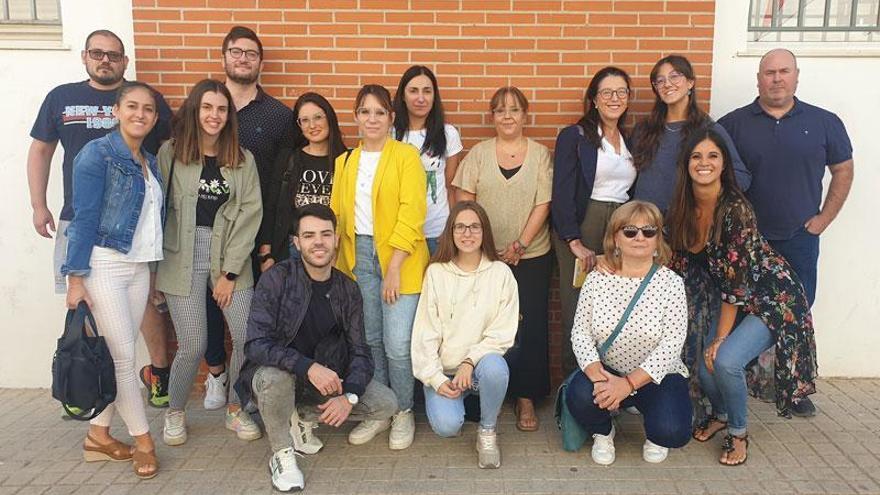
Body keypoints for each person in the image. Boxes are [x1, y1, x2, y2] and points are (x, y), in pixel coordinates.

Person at [28, 29, 174, 409]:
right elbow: (41, 151)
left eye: (113, 54)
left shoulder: (148, 100)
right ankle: (82, 378)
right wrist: (38, 203)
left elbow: (167, 155)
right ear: (85, 56)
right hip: (80, 219)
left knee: (146, 304)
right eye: (98, 53)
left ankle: (158, 374)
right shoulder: (62, 98)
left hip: (134, 229)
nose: (105, 60)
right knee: (82, 302)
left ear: (124, 61)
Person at [666, 129, 817, 466]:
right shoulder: (682, 206)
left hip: (772, 297)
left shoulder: (736, 209)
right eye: (696, 156)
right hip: (733, 297)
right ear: (686, 164)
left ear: (723, 164)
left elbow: (737, 284)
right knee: (707, 368)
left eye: (712, 156)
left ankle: (738, 432)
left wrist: (720, 337)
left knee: (725, 360)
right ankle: (720, 413)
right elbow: (672, 259)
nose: (704, 163)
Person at [718, 48, 853, 417]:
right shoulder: (733, 124)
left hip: (798, 238)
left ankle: (792, 388)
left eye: (783, 71)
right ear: (758, 79)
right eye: (769, 72)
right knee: (745, 310)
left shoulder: (824, 122)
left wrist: (824, 219)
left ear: (796, 76)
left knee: (796, 312)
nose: (776, 78)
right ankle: (740, 378)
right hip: (749, 241)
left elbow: (843, 169)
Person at [236, 204, 398, 492]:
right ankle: (282, 454)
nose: (319, 242)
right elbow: (255, 344)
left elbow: (361, 352)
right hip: (280, 376)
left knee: (387, 403)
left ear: (336, 239)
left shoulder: (348, 289)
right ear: (296, 243)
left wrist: (348, 397)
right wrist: (307, 366)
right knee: (276, 378)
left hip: (323, 381)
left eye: (326, 234)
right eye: (309, 235)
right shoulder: (277, 279)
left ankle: (302, 416)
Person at [62, 82, 164, 479]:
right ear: (116, 111)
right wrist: (75, 278)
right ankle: (144, 441)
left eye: (148, 109)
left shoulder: (150, 162)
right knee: (124, 359)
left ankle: (98, 436)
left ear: (155, 118)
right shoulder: (97, 154)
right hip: (103, 265)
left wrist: (153, 273)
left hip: (139, 268)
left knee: (117, 355)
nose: (140, 114)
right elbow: (82, 217)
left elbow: (151, 225)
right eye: (133, 106)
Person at [156, 79, 263, 446]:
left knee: (247, 339)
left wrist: (230, 273)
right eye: (207, 108)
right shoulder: (171, 153)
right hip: (181, 256)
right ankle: (175, 412)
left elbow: (251, 213)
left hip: (229, 256)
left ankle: (236, 407)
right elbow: (157, 210)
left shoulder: (242, 158)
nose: (214, 116)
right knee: (193, 343)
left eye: (221, 109)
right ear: (194, 110)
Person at [202, 25, 300, 412]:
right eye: (236, 52)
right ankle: (216, 373)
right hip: (208, 227)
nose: (243, 59)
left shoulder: (278, 116)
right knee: (209, 307)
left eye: (251, 54)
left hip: (258, 229)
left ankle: (252, 385)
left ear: (261, 62)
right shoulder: (207, 106)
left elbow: (283, 180)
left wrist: (270, 240)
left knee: (258, 312)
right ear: (224, 56)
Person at [330, 84, 429, 450]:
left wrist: (394, 266)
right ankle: (381, 411)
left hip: (398, 259)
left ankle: (403, 410)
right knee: (369, 341)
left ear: (391, 117)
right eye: (365, 112)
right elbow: (338, 218)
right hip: (359, 259)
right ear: (356, 117)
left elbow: (412, 211)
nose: (372, 119)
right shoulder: (345, 162)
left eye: (379, 112)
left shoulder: (405, 156)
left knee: (397, 343)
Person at [453, 86, 553, 432]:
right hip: (485, 255)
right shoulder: (478, 155)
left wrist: (520, 245)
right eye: (500, 110)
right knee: (484, 322)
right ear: (492, 117)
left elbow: (544, 203)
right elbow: (465, 203)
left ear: (525, 115)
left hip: (532, 254)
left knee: (530, 323)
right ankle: (483, 391)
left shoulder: (540, 155)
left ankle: (526, 397)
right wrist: (485, 248)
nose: (507, 116)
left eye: (514, 109)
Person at [566, 200, 691, 466]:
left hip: (656, 376)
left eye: (649, 231)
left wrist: (628, 385)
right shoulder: (597, 279)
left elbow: (672, 343)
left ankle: (644, 413)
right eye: (630, 231)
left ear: (658, 240)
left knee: (672, 431)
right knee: (578, 394)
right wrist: (595, 373)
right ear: (615, 238)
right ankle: (603, 431)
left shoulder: (671, 283)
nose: (639, 238)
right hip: (608, 369)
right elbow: (581, 332)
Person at [411, 201, 519, 469]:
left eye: (474, 227)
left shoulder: (501, 273)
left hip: (480, 369)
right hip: (446, 372)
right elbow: (425, 332)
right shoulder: (436, 273)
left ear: (485, 233)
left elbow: (503, 332)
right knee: (447, 427)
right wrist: (435, 379)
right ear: (451, 232)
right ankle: (457, 402)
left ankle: (487, 430)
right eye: (460, 227)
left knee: (496, 367)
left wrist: (470, 362)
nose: (467, 233)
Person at [552, 66, 636, 377]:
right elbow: (561, 189)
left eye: (621, 92)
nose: (615, 98)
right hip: (583, 224)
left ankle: (615, 385)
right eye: (607, 93)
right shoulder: (575, 136)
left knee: (616, 307)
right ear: (594, 100)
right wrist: (573, 240)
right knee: (580, 310)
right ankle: (575, 388)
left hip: (621, 227)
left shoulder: (630, 139)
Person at [631, 54, 750, 214]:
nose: (667, 84)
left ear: (690, 83)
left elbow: (741, 177)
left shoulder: (708, 130)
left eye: (674, 76)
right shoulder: (644, 129)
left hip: (686, 225)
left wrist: (706, 201)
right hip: (644, 226)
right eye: (660, 80)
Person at [259, 92, 346, 267]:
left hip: (331, 248)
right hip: (293, 248)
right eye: (304, 120)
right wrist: (265, 253)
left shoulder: (346, 160)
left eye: (318, 117)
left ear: (329, 118)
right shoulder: (288, 158)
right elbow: (271, 206)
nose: (312, 125)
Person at [392, 65, 464, 254]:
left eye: (427, 91)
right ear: (402, 96)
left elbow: (451, 187)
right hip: (400, 233)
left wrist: (452, 229)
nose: (421, 98)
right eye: (413, 91)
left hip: (437, 233)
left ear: (434, 96)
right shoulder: (389, 134)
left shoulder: (448, 134)